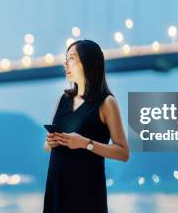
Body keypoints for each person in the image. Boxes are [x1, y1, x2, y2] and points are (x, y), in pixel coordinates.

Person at [43, 39, 129, 213]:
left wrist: (85, 143)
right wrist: (50, 142)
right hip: (57, 191)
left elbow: (123, 152)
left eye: (72, 58)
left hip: (87, 193)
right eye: (65, 58)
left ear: (88, 62)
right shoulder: (63, 100)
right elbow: (47, 147)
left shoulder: (106, 102)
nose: (65, 64)